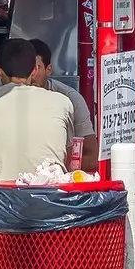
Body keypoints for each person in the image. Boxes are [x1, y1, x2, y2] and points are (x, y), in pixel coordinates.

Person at [0, 39, 79, 183]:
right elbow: (66, 159)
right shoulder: (63, 103)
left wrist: (12, 178)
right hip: (52, 199)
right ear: (35, 70)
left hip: (3, 200)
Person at [23, 38, 98, 170]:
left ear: (49, 69)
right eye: (27, 68)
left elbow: (93, 157)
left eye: (37, 68)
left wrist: (60, 163)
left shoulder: (70, 99)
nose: (32, 74)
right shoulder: (11, 100)